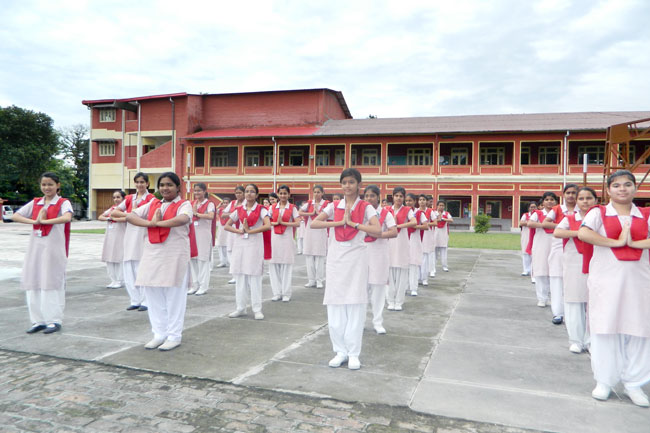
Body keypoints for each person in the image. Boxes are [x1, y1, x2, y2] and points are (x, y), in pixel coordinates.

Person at [578, 170, 650, 407]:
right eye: (616, 185)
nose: (622, 189)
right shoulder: (598, 213)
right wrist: (616, 242)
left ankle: (634, 383)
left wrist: (635, 243)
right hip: (606, 281)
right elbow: (583, 233)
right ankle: (604, 380)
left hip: (639, 282)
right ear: (608, 190)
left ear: (635, 188)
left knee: (640, 330)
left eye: (627, 184)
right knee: (605, 328)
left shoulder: (645, 214)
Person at [311, 168, 380, 370]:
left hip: (357, 259)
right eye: (344, 182)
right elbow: (315, 223)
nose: (347, 186)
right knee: (335, 304)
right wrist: (341, 222)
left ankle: (353, 353)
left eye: (351, 182)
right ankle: (340, 351)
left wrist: (355, 225)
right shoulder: (334, 206)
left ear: (359, 184)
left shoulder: (366, 207)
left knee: (355, 304)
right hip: (336, 259)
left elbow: (377, 229)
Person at [126, 172, 194, 351]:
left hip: (174, 255)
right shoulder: (153, 204)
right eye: (162, 185)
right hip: (152, 254)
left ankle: (174, 335)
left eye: (169, 185)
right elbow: (130, 216)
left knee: (174, 297)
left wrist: (158, 223)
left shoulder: (184, 204)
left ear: (178, 187)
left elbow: (183, 219)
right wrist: (150, 224)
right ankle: (159, 334)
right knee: (153, 294)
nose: (165, 188)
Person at [13, 172, 73, 334]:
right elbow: (16, 215)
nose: (47, 188)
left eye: (50, 184)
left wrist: (45, 221)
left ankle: (53, 320)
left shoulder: (63, 202)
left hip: (53, 249)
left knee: (51, 282)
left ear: (57, 185)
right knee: (33, 281)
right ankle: (37, 320)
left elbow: (67, 217)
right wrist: (34, 221)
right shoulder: (36, 203)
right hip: (36, 248)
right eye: (44, 184)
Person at [553, 187, 596, 354]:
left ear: (595, 200)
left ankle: (592, 341)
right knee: (574, 300)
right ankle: (576, 340)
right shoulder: (571, 218)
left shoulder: (600, 217)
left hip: (597, 262)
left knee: (594, 302)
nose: (585, 201)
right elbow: (557, 232)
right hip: (574, 262)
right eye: (581, 198)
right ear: (577, 202)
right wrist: (580, 233)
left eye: (589, 198)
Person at [225, 184, 271, 320]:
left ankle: (257, 309)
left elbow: (268, 225)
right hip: (240, 244)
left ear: (257, 195)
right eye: (247, 191)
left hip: (254, 244)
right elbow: (227, 225)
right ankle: (241, 308)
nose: (249, 194)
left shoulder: (261, 209)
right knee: (240, 276)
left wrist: (251, 231)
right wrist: (239, 230)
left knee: (254, 277)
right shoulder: (239, 209)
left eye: (252, 192)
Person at [110, 172, 154, 311]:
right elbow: (114, 213)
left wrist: (130, 216)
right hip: (130, 234)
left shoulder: (151, 199)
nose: (139, 185)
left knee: (142, 267)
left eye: (142, 182)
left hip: (143, 233)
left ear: (147, 183)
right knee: (129, 267)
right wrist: (130, 215)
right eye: (137, 182)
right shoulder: (129, 198)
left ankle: (146, 300)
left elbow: (150, 215)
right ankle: (135, 299)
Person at [542, 184, 578, 325]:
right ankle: (558, 313)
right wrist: (563, 226)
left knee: (574, 279)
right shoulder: (558, 209)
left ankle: (572, 313)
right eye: (568, 193)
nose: (571, 195)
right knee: (557, 278)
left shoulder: (583, 209)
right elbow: (545, 223)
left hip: (577, 246)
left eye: (574, 193)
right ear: (563, 195)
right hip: (559, 244)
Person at [363, 184, 397, 334]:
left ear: (378, 197)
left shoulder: (385, 213)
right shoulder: (360, 212)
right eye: (366, 196)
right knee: (361, 290)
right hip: (362, 253)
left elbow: (394, 231)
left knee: (378, 289)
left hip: (379, 254)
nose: (369, 198)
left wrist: (378, 234)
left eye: (372, 196)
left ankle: (377, 322)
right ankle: (360, 321)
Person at [269, 185, 301, 302]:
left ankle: (286, 293)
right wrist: (275, 223)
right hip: (274, 238)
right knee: (274, 266)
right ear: (278, 194)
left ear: (289, 195)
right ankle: (277, 293)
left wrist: (283, 223)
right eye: (281, 193)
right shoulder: (272, 207)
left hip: (287, 238)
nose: (283, 195)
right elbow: (266, 222)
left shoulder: (292, 208)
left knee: (286, 266)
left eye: (285, 193)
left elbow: (298, 223)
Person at [386, 187, 416, 311]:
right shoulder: (387, 210)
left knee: (402, 275)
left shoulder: (407, 210)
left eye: (401, 196)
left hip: (402, 244)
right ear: (392, 197)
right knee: (389, 274)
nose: (398, 198)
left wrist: (398, 225)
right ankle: (390, 300)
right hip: (389, 244)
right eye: (396, 196)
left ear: (403, 198)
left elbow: (414, 222)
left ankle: (398, 301)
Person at [526, 192, 558, 308]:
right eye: (547, 199)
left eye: (552, 199)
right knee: (541, 271)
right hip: (541, 245)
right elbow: (530, 223)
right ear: (543, 202)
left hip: (556, 244)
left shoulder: (558, 213)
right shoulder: (538, 213)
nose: (549, 202)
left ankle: (553, 298)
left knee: (554, 272)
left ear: (556, 202)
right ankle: (542, 298)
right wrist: (546, 225)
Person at [188, 183, 215, 296]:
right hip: (193, 234)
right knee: (193, 260)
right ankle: (194, 285)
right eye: (195, 191)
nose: (197, 193)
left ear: (204, 191)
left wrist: (196, 213)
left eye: (199, 190)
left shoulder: (209, 204)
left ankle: (203, 286)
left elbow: (211, 216)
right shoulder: (192, 203)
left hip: (204, 235)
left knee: (203, 260)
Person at [299, 185, 329, 289]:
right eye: (315, 192)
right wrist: (311, 213)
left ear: (322, 193)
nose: (316, 194)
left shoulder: (326, 204)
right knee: (309, 255)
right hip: (310, 230)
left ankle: (319, 280)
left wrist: (319, 213)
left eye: (318, 192)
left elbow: (329, 215)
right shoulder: (309, 203)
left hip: (320, 231)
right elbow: (300, 212)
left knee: (319, 256)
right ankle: (311, 280)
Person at [98, 190, 127, 289]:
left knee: (119, 258)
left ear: (123, 198)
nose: (116, 199)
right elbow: (100, 217)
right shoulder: (112, 209)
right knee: (109, 258)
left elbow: (127, 218)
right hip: (110, 237)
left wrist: (115, 219)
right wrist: (109, 218)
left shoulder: (125, 210)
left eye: (118, 197)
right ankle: (113, 280)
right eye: (114, 197)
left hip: (120, 237)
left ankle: (120, 280)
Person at [406, 193, 427, 296]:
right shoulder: (403, 212)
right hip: (404, 239)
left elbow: (426, 226)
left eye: (410, 200)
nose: (408, 203)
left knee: (413, 264)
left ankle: (413, 288)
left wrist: (415, 226)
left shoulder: (419, 213)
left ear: (415, 201)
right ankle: (405, 287)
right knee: (404, 265)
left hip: (414, 240)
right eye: (406, 201)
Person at [224, 186, 245, 284]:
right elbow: (223, 214)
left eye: (240, 193)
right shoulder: (232, 203)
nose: (238, 195)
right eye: (236, 193)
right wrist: (235, 213)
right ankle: (234, 275)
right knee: (230, 251)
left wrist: (234, 214)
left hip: (242, 229)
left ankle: (242, 274)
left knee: (241, 252)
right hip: (232, 229)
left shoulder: (246, 203)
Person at [432, 200, 453, 275]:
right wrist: (438, 219)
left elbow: (451, 220)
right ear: (437, 206)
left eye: (442, 205)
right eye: (440, 205)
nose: (441, 207)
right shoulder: (433, 213)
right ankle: (433, 267)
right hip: (435, 235)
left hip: (444, 235)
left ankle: (445, 266)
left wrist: (443, 219)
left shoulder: (446, 214)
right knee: (434, 253)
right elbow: (431, 221)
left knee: (444, 252)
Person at [519, 202, 537, 279]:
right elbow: (521, 223)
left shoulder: (538, 215)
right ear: (528, 208)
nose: (533, 208)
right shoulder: (525, 215)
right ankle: (526, 270)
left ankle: (533, 270)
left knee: (534, 253)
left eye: (534, 207)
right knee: (525, 253)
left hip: (535, 235)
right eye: (531, 207)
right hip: (526, 235)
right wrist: (530, 223)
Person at [419, 194, 434, 287]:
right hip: (417, 235)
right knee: (417, 258)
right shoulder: (416, 211)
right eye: (420, 199)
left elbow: (436, 222)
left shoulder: (430, 211)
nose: (422, 201)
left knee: (424, 258)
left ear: (426, 201)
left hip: (426, 235)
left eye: (424, 199)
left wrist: (426, 224)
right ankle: (418, 277)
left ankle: (424, 278)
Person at [215, 197, 231, 267]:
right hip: (221, 228)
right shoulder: (220, 210)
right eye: (224, 203)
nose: (225, 204)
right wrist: (219, 205)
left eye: (227, 203)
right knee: (221, 245)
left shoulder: (231, 210)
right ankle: (222, 261)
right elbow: (214, 211)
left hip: (229, 228)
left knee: (228, 245)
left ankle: (229, 261)